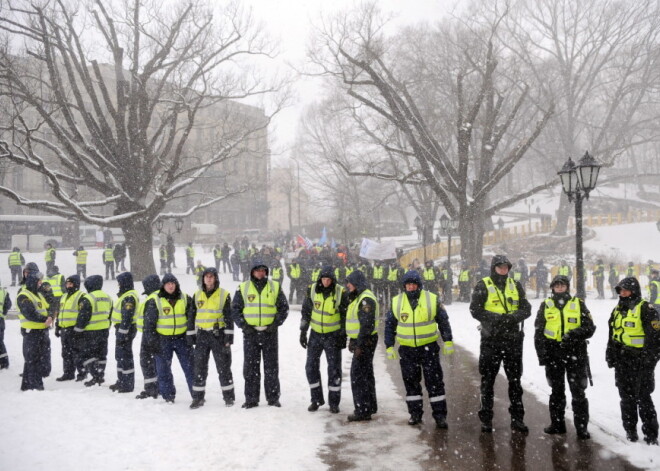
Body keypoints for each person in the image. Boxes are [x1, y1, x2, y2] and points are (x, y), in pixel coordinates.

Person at [470, 254, 532, 434]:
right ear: (493, 268)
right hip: (491, 340)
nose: (503, 270)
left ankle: (517, 419)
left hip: (512, 340)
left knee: (515, 381)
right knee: (488, 381)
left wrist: (514, 317)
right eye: (500, 267)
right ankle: (486, 419)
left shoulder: (515, 285)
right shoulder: (484, 285)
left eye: (506, 267)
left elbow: (526, 308)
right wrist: (495, 319)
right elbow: (475, 309)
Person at [385, 270, 454, 428]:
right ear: (404, 286)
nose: (410, 287)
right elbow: (390, 325)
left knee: (435, 383)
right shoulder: (396, 301)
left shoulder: (431, 299)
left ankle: (440, 416)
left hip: (428, 348)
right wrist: (389, 345)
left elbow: (443, 321)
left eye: (413, 284)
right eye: (407, 284)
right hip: (407, 350)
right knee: (411, 383)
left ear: (419, 285)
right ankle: (415, 414)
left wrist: (448, 340)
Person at [534, 275, 595, 439]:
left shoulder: (578, 304)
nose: (560, 288)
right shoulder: (545, 305)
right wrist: (542, 356)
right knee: (556, 392)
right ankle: (557, 424)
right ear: (552, 288)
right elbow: (539, 333)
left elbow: (590, 327)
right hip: (554, 355)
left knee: (578, 393)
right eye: (557, 285)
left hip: (575, 354)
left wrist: (574, 334)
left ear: (567, 287)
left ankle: (582, 428)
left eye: (563, 285)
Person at [606, 277, 660, 445]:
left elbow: (656, 339)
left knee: (643, 397)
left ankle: (651, 434)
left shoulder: (646, 309)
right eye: (620, 290)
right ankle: (630, 430)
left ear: (634, 290)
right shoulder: (617, 310)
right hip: (622, 361)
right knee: (626, 398)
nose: (622, 293)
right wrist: (610, 353)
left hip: (640, 362)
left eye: (625, 290)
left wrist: (649, 362)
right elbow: (612, 334)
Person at [232, 258, 289, 409]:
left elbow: (284, 308)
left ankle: (273, 398)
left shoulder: (275, 286)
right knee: (250, 368)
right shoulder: (243, 287)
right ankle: (251, 399)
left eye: (263, 270)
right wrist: (244, 326)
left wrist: (275, 323)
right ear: (252, 271)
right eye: (257, 270)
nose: (260, 273)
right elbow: (235, 309)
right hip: (250, 334)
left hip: (269, 333)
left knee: (271, 367)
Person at [300, 266, 348, 413]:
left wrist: (342, 334)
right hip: (315, 334)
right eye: (323, 279)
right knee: (311, 367)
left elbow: (345, 316)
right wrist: (303, 331)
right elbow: (306, 312)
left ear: (333, 279)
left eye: (329, 279)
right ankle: (316, 399)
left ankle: (334, 402)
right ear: (320, 278)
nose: (326, 282)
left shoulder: (340, 292)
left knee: (334, 369)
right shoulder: (312, 290)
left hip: (332, 336)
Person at [143, 273, 194, 403]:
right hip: (163, 340)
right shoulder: (155, 300)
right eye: (168, 284)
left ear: (176, 285)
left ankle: (197, 394)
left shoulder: (185, 298)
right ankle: (168, 396)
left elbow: (192, 319)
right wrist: (152, 342)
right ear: (163, 286)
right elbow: (149, 325)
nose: (170, 286)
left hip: (182, 339)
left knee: (190, 368)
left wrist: (192, 336)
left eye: (173, 283)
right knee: (163, 369)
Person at [188, 267, 235, 409]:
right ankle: (198, 398)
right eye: (206, 276)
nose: (208, 279)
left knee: (223, 367)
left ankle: (229, 397)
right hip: (202, 335)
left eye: (211, 276)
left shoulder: (223, 294)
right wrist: (190, 336)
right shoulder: (197, 295)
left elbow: (228, 317)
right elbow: (191, 317)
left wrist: (228, 337)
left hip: (218, 335)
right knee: (199, 368)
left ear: (215, 278)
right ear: (203, 279)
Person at [345, 270, 379, 422]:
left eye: (350, 282)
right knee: (365, 373)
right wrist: (353, 340)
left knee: (358, 376)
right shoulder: (360, 296)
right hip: (364, 340)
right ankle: (369, 405)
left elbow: (366, 325)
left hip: (365, 341)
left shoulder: (365, 299)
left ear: (357, 283)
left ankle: (362, 409)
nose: (347, 285)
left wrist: (359, 344)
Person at [17, 268, 53, 390]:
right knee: (33, 359)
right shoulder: (24, 295)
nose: (40, 283)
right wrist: (45, 319)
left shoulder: (38, 295)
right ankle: (35, 386)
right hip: (32, 332)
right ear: (32, 281)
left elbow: (48, 307)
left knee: (37, 359)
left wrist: (50, 316)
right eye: (38, 281)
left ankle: (28, 385)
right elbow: (29, 313)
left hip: (41, 331)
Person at [74, 275, 112, 387]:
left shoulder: (88, 298)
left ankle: (95, 376)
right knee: (101, 354)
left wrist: (77, 331)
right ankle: (100, 374)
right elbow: (110, 315)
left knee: (87, 354)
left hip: (90, 332)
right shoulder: (108, 297)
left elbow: (83, 317)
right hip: (104, 331)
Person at [109, 272, 139, 393]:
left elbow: (127, 316)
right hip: (122, 329)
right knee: (120, 356)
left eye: (120, 282)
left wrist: (122, 332)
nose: (118, 285)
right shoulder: (126, 294)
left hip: (125, 330)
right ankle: (121, 380)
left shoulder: (129, 296)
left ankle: (127, 384)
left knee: (125, 357)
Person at [135, 274, 161, 400]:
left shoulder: (152, 299)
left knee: (147, 362)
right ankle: (158, 386)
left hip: (149, 335)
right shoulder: (160, 296)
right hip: (156, 334)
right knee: (156, 362)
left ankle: (151, 389)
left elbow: (150, 320)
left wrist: (150, 339)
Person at [55, 275, 85, 381]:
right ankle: (68, 373)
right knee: (66, 352)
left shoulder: (81, 296)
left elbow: (83, 314)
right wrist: (57, 326)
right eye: (67, 284)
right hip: (64, 329)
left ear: (76, 284)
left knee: (77, 352)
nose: (68, 286)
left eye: (70, 284)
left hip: (74, 329)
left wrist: (79, 328)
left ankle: (82, 373)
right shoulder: (64, 296)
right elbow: (60, 312)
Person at [0, 280, 11, 369]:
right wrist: (3, 313)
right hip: (1, 320)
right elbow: (8, 304)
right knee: (0, 341)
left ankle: (4, 362)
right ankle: (4, 361)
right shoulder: (4, 292)